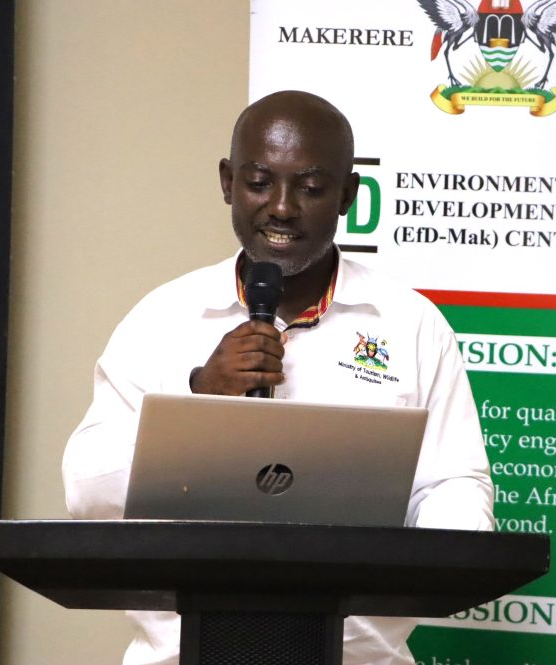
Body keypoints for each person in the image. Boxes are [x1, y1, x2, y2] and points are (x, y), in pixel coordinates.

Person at [63, 90, 494, 665]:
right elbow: (86, 491)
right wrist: (199, 400)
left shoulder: (410, 323)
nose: (282, 208)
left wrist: (444, 557)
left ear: (348, 196)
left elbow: (452, 484)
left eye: (311, 188)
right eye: (259, 182)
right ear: (227, 183)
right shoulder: (162, 318)